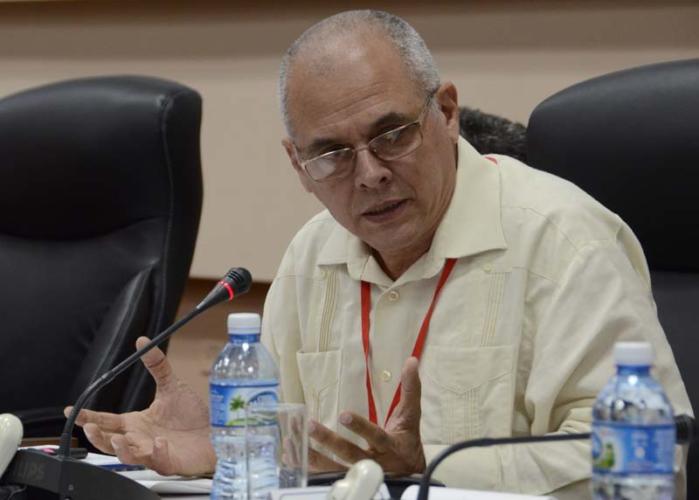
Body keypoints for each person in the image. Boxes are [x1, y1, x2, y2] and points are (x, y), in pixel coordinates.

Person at [67, 10, 692, 498]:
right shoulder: (311, 255)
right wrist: (225, 444)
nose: (369, 174)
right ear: (299, 165)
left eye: (391, 134)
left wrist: (429, 468)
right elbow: (303, 459)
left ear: (446, 113)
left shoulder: (565, 240)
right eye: (331, 153)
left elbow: (654, 459)